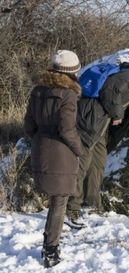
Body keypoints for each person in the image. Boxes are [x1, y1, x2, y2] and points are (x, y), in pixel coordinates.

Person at [66, 63, 129, 227]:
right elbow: (110, 90)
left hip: (101, 122)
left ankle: (92, 205)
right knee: (83, 161)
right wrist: (117, 114)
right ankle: (71, 209)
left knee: (98, 163)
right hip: (90, 116)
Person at [24, 50, 82, 268]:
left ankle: (50, 246)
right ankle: (51, 250)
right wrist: (79, 149)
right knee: (59, 201)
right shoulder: (68, 94)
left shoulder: (38, 90)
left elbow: (29, 126)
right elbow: (67, 129)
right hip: (61, 153)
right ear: (71, 71)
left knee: (56, 201)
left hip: (40, 147)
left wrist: (40, 140)